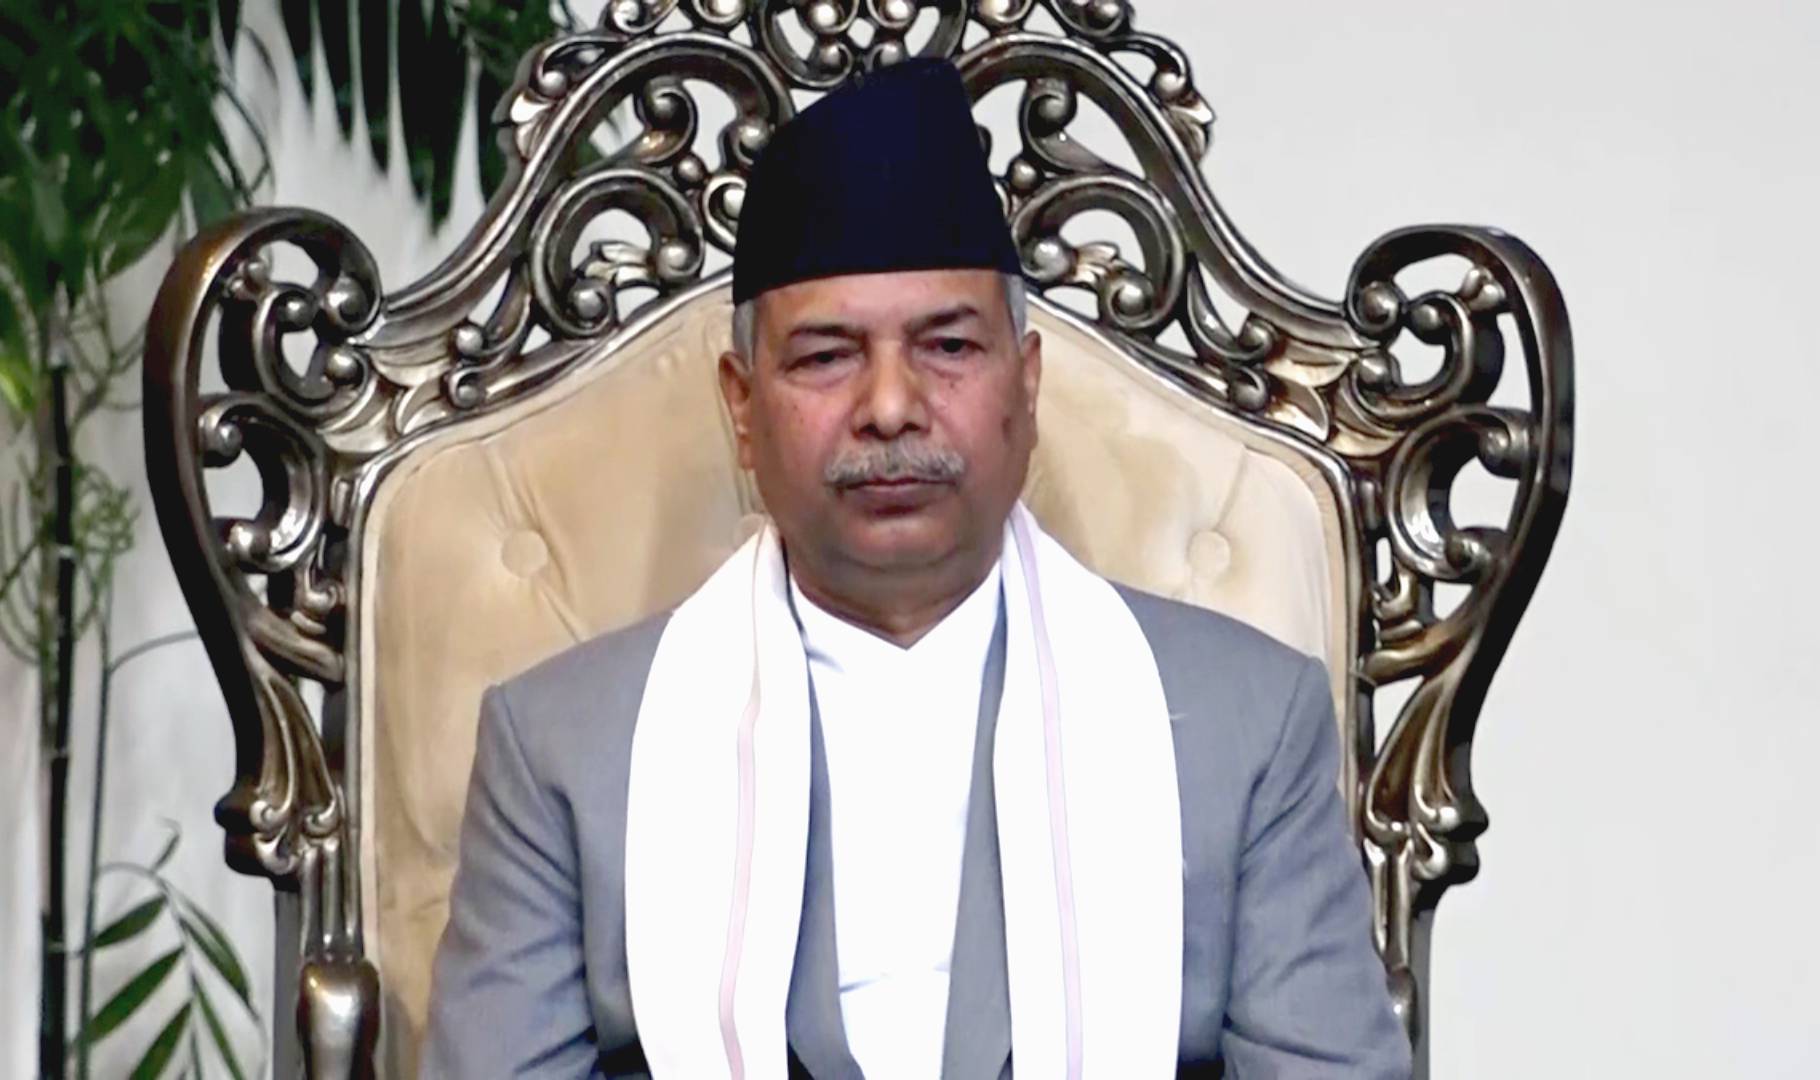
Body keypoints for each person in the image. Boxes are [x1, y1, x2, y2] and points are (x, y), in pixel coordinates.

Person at [420, 58, 1409, 1079]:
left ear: (1026, 387)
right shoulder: (561, 749)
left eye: (946, 347)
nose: (890, 407)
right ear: (741, 408)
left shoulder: (1248, 726)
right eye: (825, 356)